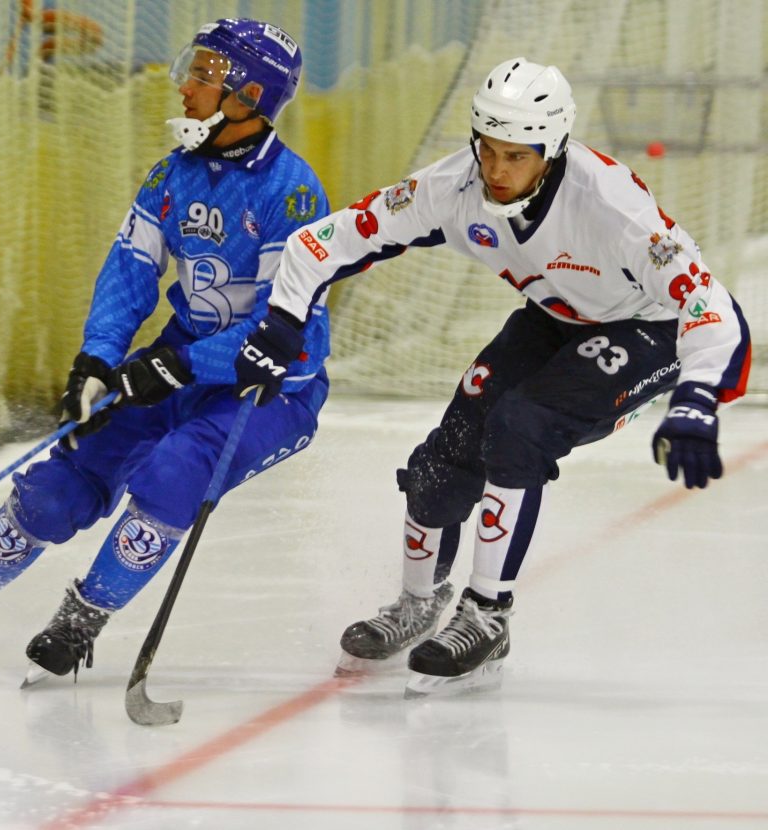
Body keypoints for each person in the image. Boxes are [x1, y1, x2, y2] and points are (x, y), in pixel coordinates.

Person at [234, 57, 752, 697]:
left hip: (650, 329)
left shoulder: (614, 207)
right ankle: (417, 604)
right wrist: (282, 322)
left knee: (519, 427)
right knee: (439, 462)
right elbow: (323, 242)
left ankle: (488, 614)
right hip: (553, 316)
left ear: (554, 148)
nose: (499, 173)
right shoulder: (451, 185)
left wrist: (699, 396)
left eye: (519, 157)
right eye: (489, 151)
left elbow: (710, 303)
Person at [0, 18, 332, 682]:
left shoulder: (292, 195)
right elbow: (130, 269)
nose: (186, 87)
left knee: (172, 474)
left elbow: (282, 333)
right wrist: (97, 359)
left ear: (248, 97)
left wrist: (180, 365)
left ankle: (79, 622)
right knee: (60, 485)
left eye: (207, 76)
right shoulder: (173, 174)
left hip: (269, 386)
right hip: (182, 354)